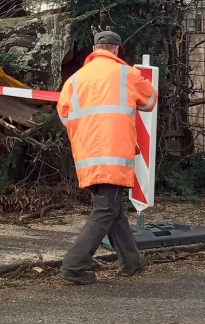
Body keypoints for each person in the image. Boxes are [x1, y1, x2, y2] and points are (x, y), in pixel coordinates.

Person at [57, 30, 158, 285]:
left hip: (86, 153)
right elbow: (150, 102)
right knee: (105, 210)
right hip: (114, 153)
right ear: (116, 50)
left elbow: (64, 115)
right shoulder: (127, 74)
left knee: (111, 208)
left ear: (94, 48)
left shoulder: (75, 80)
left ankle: (131, 260)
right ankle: (74, 265)